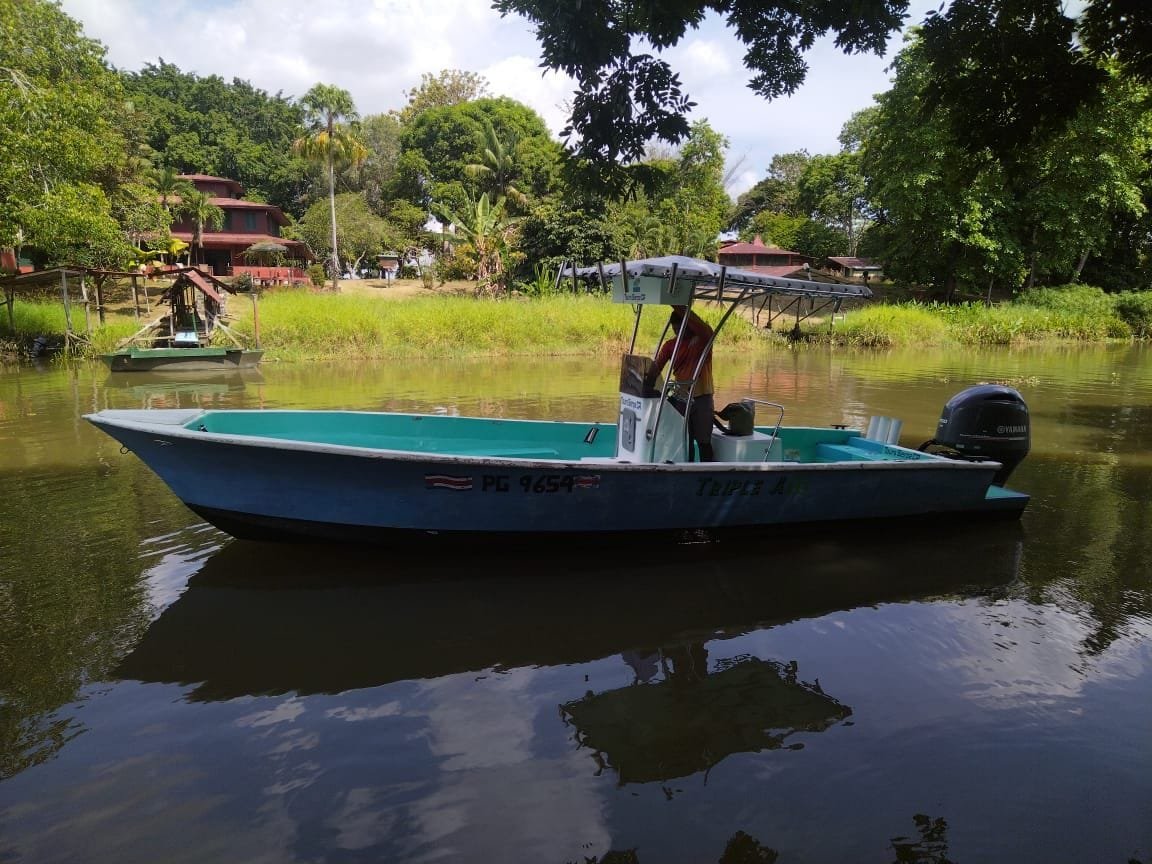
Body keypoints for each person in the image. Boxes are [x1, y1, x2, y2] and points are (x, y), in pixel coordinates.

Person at [646, 305, 715, 462]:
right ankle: (687, 468)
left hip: (702, 397)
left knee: (704, 441)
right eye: (675, 329)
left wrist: (677, 303)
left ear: (689, 325)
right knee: (684, 440)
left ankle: (708, 470)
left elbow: (704, 329)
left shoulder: (703, 340)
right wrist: (644, 384)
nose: (678, 333)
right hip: (681, 397)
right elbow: (656, 368)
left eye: (681, 328)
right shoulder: (671, 345)